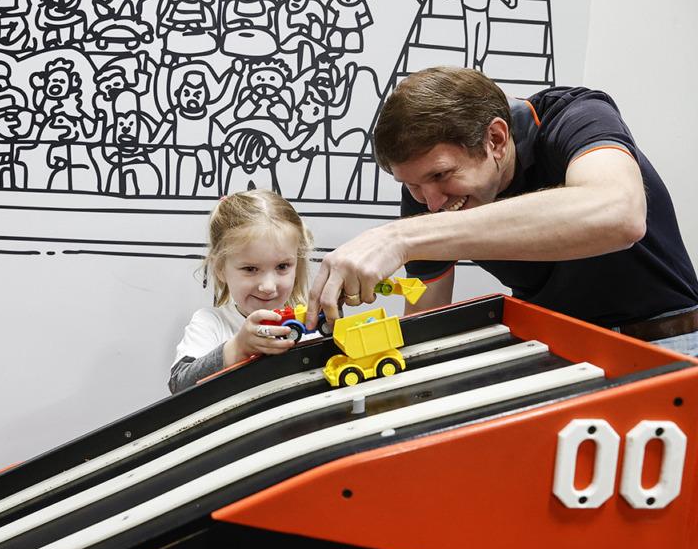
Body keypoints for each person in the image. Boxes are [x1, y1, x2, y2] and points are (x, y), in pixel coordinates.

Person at [306, 66, 698, 356]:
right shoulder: (429, 190)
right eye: (411, 184)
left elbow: (620, 214)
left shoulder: (575, 116)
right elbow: (426, 310)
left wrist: (399, 236)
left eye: (442, 175)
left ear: (496, 138)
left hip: (666, 341)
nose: (431, 202)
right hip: (553, 348)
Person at [170, 189, 315, 393]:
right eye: (250, 269)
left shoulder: (310, 324)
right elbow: (179, 385)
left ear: (297, 264)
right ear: (220, 268)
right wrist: (239, 347)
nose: (268, 287)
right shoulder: (211, 324)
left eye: (282, 267)